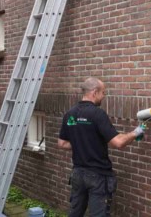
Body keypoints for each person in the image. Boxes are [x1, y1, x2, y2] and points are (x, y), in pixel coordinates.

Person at [58, 77, 145, 217]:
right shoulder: (97, 114)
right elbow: (118, 142)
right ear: (94, 92)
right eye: (103, 93)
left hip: (78, 174)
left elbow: (62, 143)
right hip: (98, 176)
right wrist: (136, 132)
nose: (104, 96)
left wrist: (82, 144)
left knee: (75, 213)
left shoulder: (70, 114)